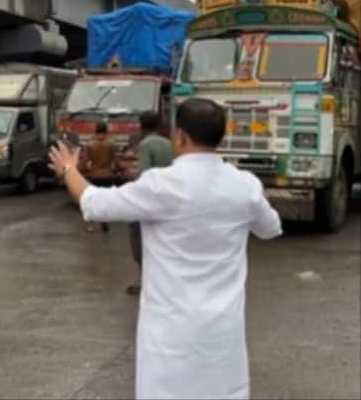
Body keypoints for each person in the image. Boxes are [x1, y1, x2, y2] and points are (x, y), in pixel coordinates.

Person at [48, 97, 282, 399]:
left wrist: (68, 169)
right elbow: (271, 228)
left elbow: (95, 203)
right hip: (222, 335)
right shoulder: (244, 185)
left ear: (180, 136)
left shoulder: (160, 185)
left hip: (169, 338)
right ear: (220, 136)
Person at [125, 111, 174, 296]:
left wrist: (129, 175)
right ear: (160, 124)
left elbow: (145, 176)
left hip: (149, 200)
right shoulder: (168, 144)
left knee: (138, 238)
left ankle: (147, 283)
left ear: (141, 125)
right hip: (168, 198)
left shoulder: (145, 145)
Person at [82, 121, 115, 233]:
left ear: (95, 132)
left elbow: (85, 162)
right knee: (105, 200)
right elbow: (116, 162)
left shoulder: (89, 145)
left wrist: (84, 170)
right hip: (107, 175)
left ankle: (90, 225)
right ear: (106, 132)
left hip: (94, 176)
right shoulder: (111, 144)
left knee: (91, 200)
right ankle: (105, 223)